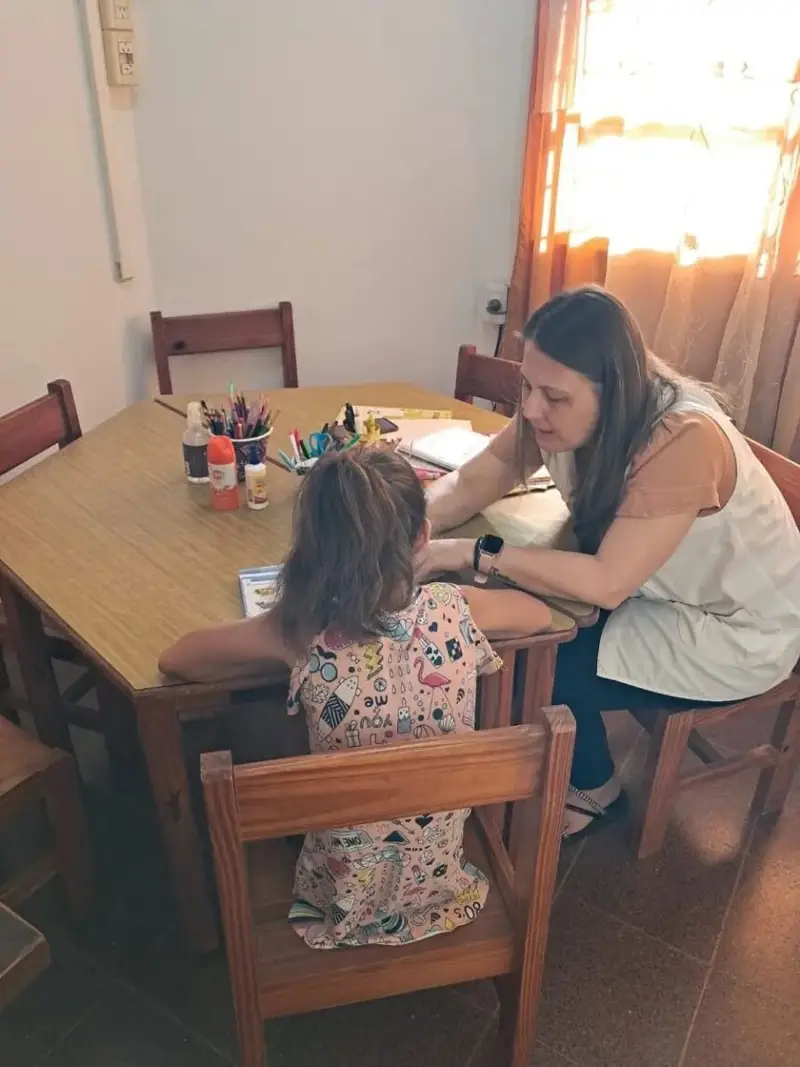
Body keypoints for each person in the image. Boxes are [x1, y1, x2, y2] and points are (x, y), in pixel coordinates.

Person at [420, 285, 800, 838]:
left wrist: (474, 552)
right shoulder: (576, 402)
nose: (532, 409)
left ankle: (596, 787)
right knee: (520, 621)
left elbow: (606, 582)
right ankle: (528, 761)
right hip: (659, 587)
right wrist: (409, 529)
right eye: (527, 386)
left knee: (535, 656)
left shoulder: (684, 438)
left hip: (737, 630)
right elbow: (478, 478)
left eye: (554, 397)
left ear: (613, 390)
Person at [159, 446, 551, 949]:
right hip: (441, 883)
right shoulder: (457, 608)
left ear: (308, 549)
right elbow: (538, 615)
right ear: (422, 538)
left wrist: (280, 623)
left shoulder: (298, 632)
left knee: (251, 729)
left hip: (338, 896)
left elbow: (178, 658)